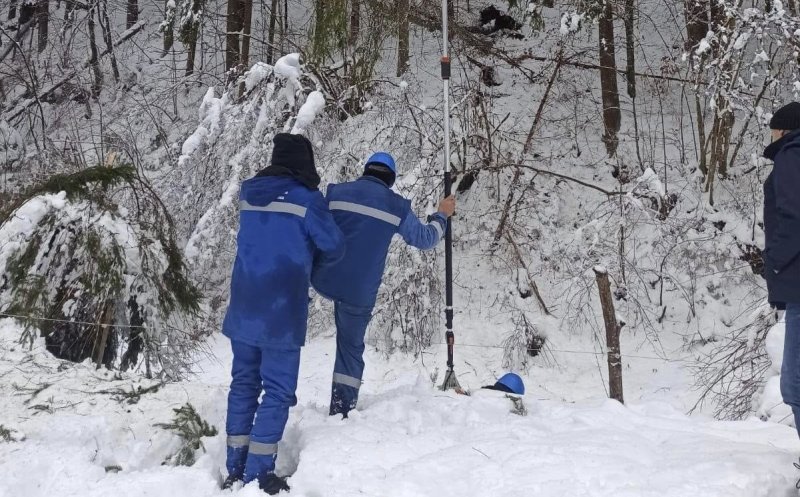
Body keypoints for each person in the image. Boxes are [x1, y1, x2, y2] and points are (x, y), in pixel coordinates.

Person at [222, 133, 344, 494]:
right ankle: (258, 474)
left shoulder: (249, 193)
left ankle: (235, 467)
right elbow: (335, 245)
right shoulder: (308, 200)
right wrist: (312, 262)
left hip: (243, 306)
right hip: (281, 311)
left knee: (244, 384)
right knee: (277, 391)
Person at [311, 151, 456, 417]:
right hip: (358, 291)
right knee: (350, 349)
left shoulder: (336, 192)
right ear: (391, 179)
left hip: (323, 277)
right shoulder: (395, 206)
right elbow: (425, 239)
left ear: (366, 170)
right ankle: (341, 410)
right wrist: (442, 216)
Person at [763, 102, 800, 440]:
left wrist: (773, 261)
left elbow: (794, 218)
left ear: (784, 130)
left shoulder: (791, 154)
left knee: (795, 382)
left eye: (773, 129)